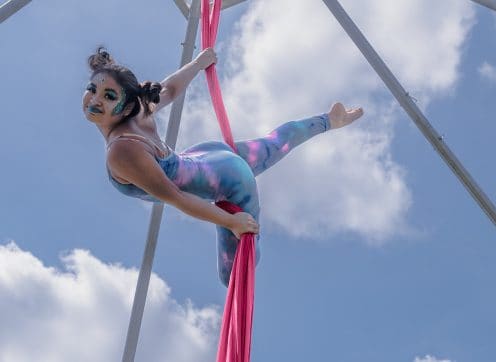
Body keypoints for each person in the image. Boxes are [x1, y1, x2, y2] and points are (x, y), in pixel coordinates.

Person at [83, 47, 364, 285]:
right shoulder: (140, 111)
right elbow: (169, 89)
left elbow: (177, 197)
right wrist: (197, 63)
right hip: (206, 156)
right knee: (271, 145)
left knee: (234, 274)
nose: (95, 100)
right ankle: (328, 120)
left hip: (226, 178)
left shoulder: (122, 150)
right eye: (92, 89)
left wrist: (231, 221)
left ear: (127, 105)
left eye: (109, 96)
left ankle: (236, 297)